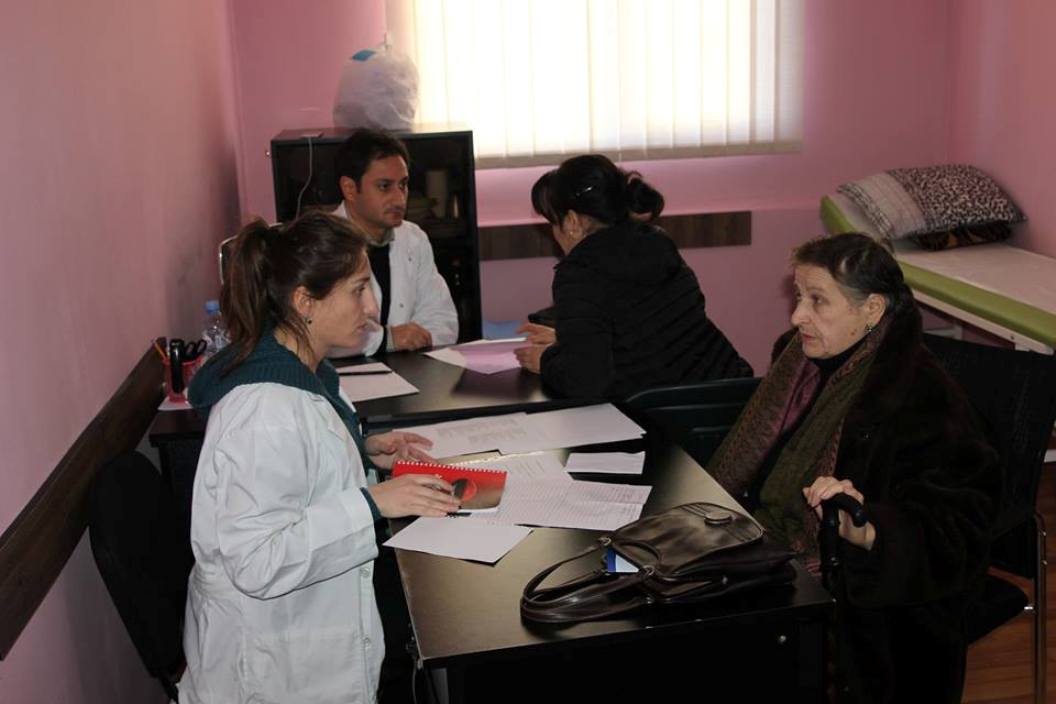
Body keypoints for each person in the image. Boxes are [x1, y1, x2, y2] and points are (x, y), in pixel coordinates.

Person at [179, 212, 460, 704]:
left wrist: (361, 452)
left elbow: (300, 471)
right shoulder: (263, 410)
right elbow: (258, 561)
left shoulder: (303, 368)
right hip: (271, 670)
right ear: (305, 302)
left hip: (305, 638)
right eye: (358, 290)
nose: (372, 306)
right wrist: (373, 503)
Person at [707, 232, 999, 704]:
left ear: (872, 310)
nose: (797, 315)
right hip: (765, 539)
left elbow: (959, 530)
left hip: (868, 606)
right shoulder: (798, 361)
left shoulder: (921, 398)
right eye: (799, 296)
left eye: (817, 300)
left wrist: (869, 530)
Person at [514, 154, 752, 398]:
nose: (554, 234)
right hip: (733, 391)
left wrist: (546, 360)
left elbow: (586, 382)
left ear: (573, 222)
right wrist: (569, 342)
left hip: (673, 411)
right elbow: (648, 339)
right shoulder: (656, 241)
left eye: (554, 223)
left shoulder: (580, 273)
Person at [331, 128, 458, 355]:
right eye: (384, 186)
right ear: (349, 189)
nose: (399, 198)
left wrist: (416, 338)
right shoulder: (322, 245)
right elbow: (320, 333)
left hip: (410, 365)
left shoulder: (414, 238)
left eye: (403, 185)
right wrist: (387, 339)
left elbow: (442, 318)